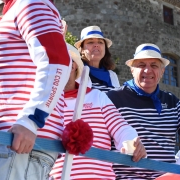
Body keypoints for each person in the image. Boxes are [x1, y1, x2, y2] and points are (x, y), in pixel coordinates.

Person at [0, 0, 71, 179]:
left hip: (17, 145)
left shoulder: (30, 1)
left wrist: (31, 120)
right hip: (12, 144)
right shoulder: (22, 6)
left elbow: (57, 62)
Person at [106, 43, 180, 179]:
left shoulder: (171, 101)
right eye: (141, 65)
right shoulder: (113, 98)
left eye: (154, 65)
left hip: (166, 177)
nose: (147, 70)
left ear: (162, 71)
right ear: (132, 70)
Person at [50, 44, 146, 179]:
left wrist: (132, 142)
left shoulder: (97, 97)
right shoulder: (45, 103)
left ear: (73, 66)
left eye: (60, 61)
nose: (55, 67)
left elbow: (120, 128)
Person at [74, 26, 119, 92]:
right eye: (90, 42)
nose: (96, 45)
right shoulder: (76, 72)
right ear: (82, 49)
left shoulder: (112, 75)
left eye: (100, 42)